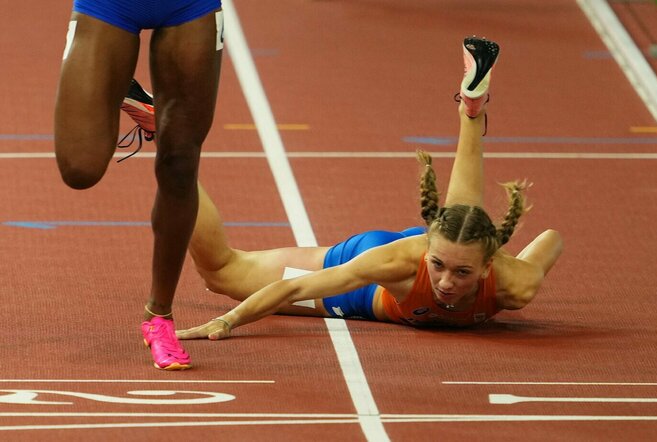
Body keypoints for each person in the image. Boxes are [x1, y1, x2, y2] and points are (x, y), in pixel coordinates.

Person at [174, 37, 564, 341]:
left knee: (462, 219)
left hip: (458, 245)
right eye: (440, 267)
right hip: (362, 288)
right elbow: (294, 287)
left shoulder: (516, 285)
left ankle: (471, 109)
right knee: (221, 274)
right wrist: (228, 320)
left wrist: (502, 258)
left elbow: (552, 240)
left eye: (462, 273)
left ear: (487, 267)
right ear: (428, 252)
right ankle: (174, 152)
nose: (446, 283)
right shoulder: (395, 264)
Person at [53, 0, 225, 370]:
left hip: (189, 7)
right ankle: (119, 89)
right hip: (110, 4)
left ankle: (159, 316)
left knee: (180, 163)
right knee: (79, 169)